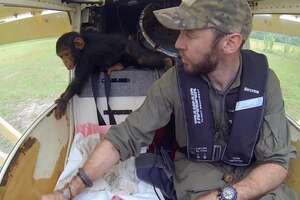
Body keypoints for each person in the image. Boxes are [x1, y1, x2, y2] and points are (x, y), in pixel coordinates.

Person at [41, 0, 297, 199]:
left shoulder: (264, 81)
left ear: (230, 43)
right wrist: (68, 192)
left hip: (258, 182)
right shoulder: (176, 80)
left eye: (190, 34)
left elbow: (277, 162)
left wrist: (227, 196)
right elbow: (125, 137)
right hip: (198, 179)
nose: (178, 43)